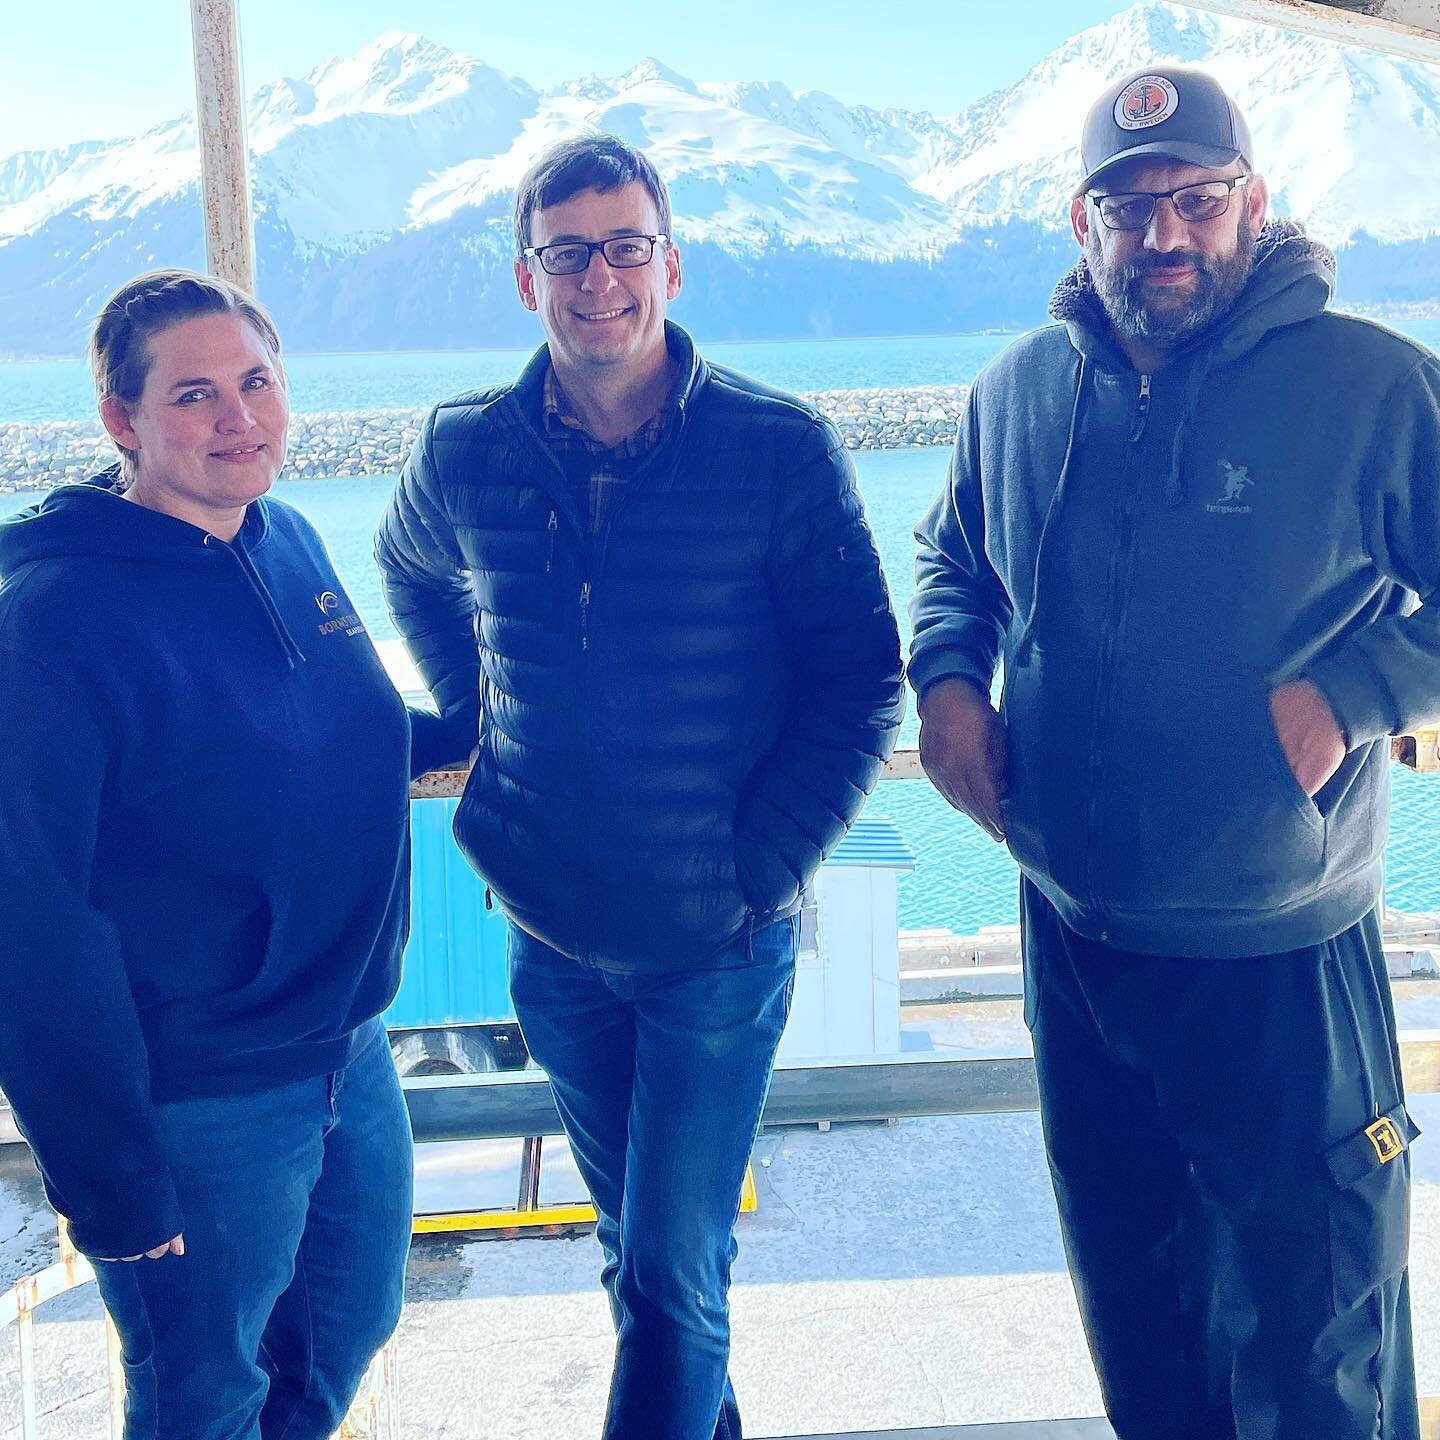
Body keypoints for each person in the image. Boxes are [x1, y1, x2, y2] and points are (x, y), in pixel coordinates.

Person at [910, 67, 1437, 1440]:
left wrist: (1363, 685)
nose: (1165, 235)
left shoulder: (1367, 383)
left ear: (1253, 204)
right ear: (1080, 225)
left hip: (1279, 957)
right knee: (1146, 1341)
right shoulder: (1020, 390)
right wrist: (949, 677)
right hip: (1078, 941)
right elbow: (951, 557)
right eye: (1128, 206)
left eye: (1197, 200)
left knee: (1319, 1353)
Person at [376, 134, 904, 1439]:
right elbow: (408, 566)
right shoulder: (466, 448)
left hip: (716, 947)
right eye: (566, 251)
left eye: (624, 247)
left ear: (669, 264)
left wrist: (757, 867)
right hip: (551, 941)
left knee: (669, 1274)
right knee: (646, 1263)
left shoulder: (776, 447)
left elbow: (859, 679)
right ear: (525, 278)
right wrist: (473, 706)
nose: (597, 277)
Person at [0, 269, 457, 1439]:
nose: (239, 417)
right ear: (122, 422)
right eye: (195, 395)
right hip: (198, 1098)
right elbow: (29, 926)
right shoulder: (50, 622)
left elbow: (340, 729)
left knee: (340, 1337)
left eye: (257, 382)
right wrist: (113, 1188)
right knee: (205, 1395)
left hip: (348, 1052)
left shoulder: (284, 538)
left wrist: (504, 726)